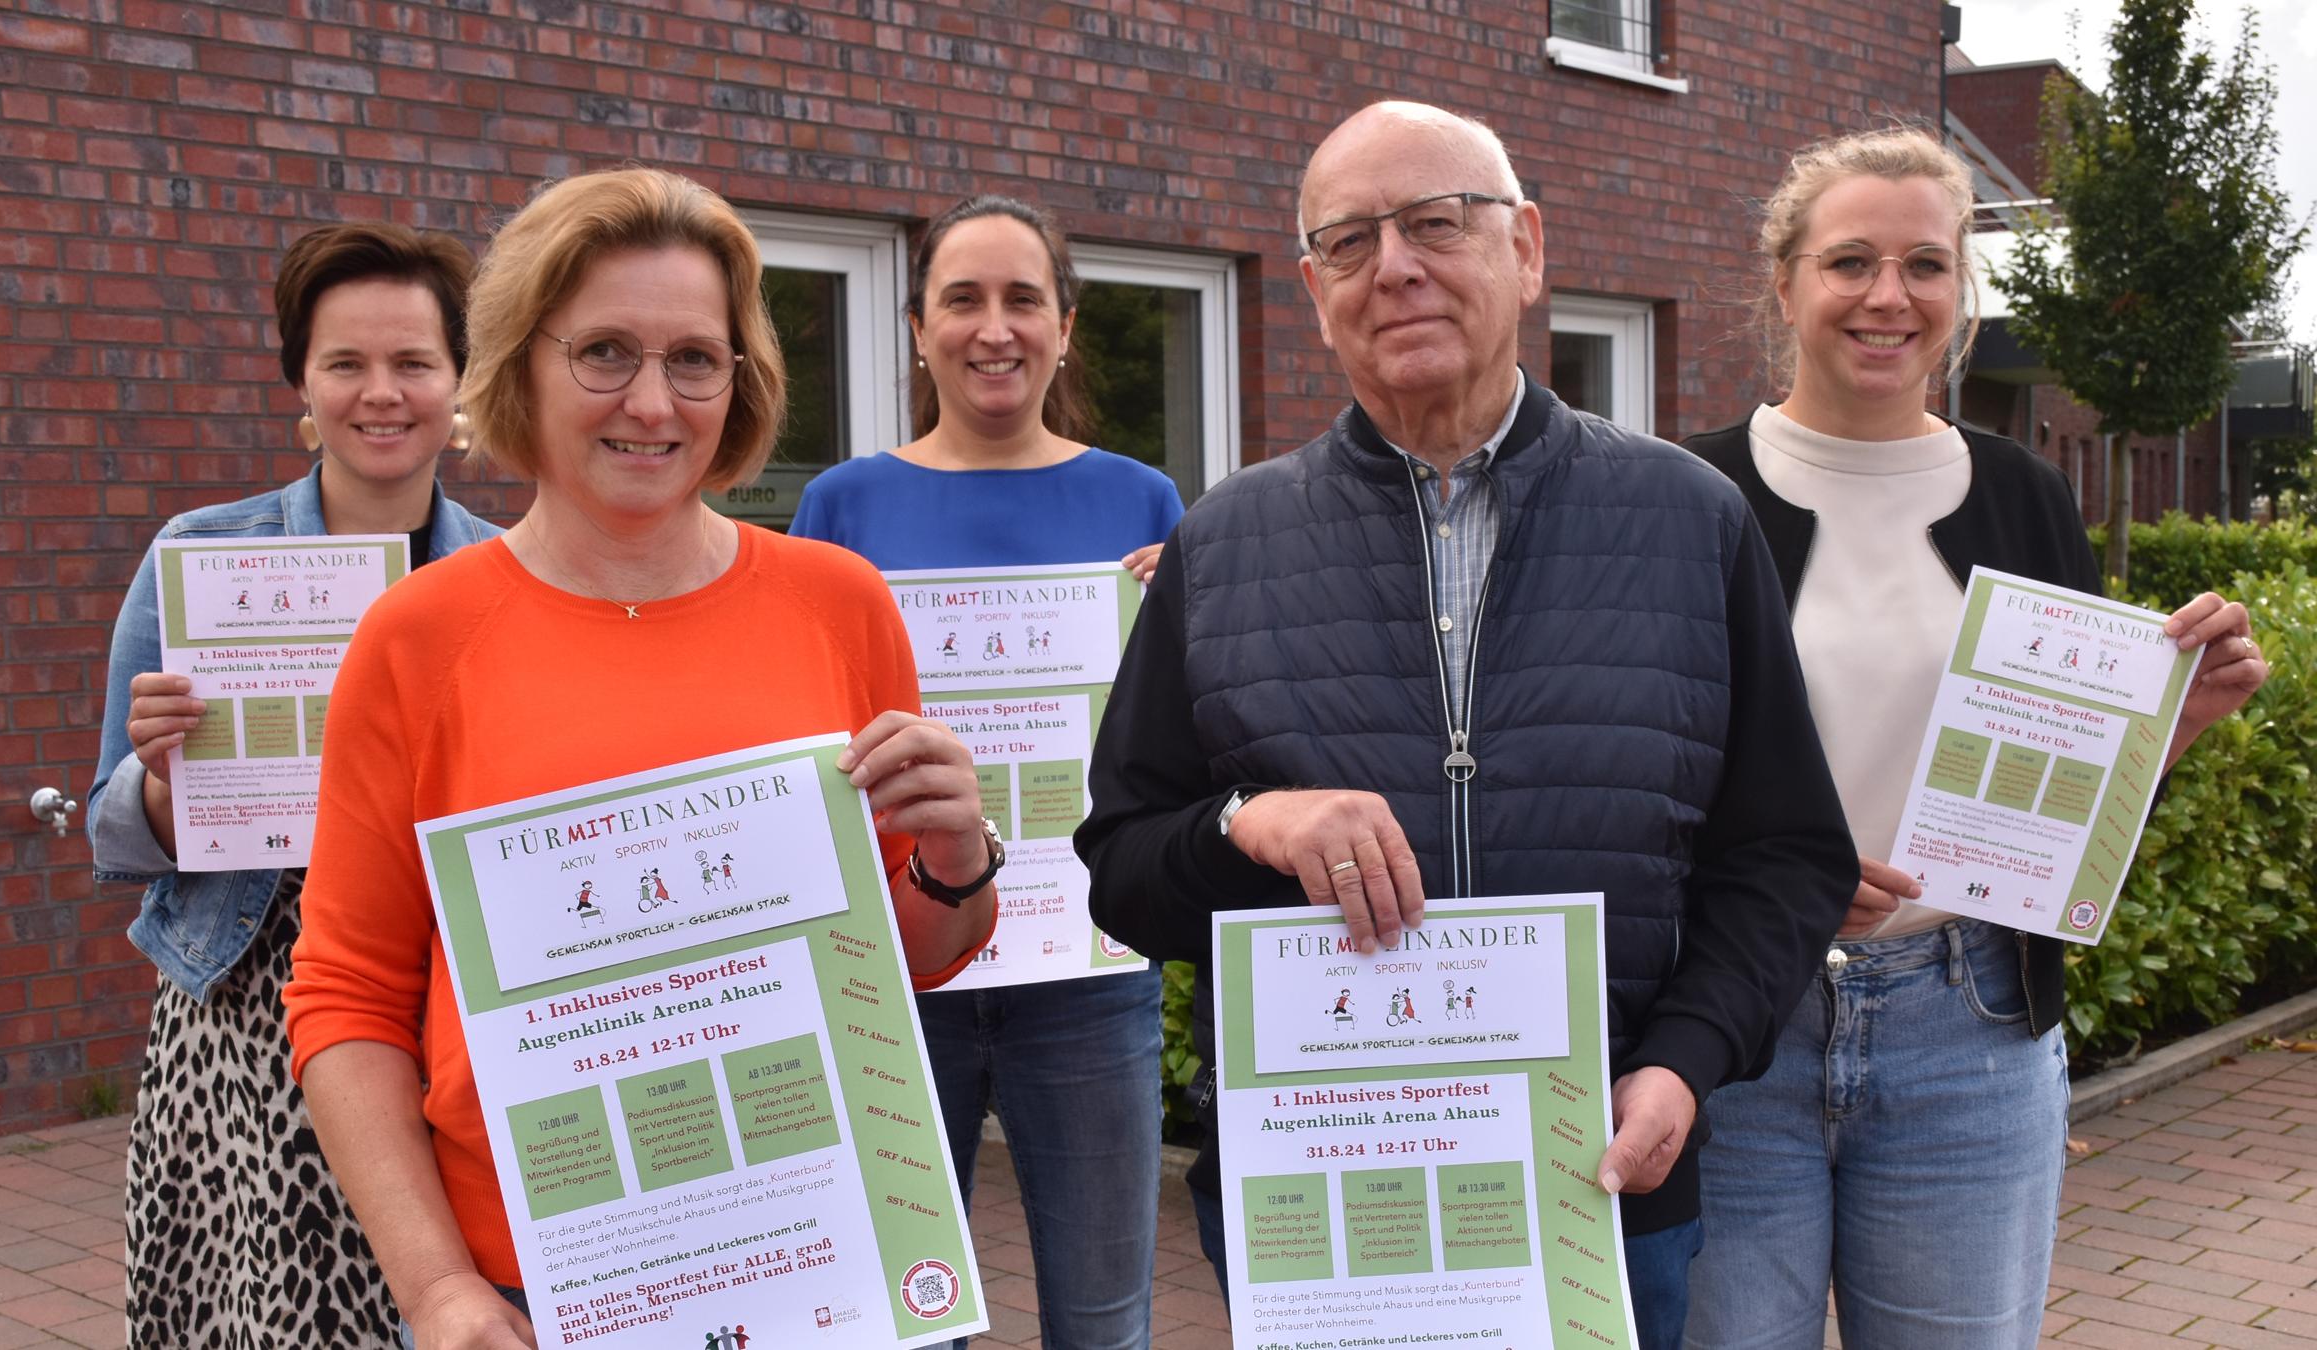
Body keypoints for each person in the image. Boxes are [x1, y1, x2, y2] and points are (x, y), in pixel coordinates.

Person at [1073, 100, 1859, 1349]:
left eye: (1437, 223)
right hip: (1323, 1206)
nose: (1395, 266)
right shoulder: (1223, 544)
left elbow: (1785, 853)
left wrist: (1687, 1062)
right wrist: (1248, 823)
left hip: (1602, 1185)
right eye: (1348, 241)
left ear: (1529, 249)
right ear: (1317, 286)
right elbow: (1122, 868)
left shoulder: (1690, 520)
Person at [278, 167, 999, 1350]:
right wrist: (438, 1289)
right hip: (542, 1292)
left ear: (740, 376)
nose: (653, 404)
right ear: (519, 364)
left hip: (831, 1255)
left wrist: (958, 861)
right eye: (603, 352)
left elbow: (900, 961)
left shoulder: (837, 603)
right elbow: (346, 997)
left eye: (695, 360)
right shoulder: (416, 638)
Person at [1677, 127, 2270, 1348]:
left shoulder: (2023, 494)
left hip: (1970, 1030)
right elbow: (1630, 779)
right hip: (1738, 1033)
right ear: (1783, 281)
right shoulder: (1684, 495)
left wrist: (2174, 727)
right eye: (1849, 261)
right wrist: (1780, 879)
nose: (1889, 296)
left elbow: (2058, 809)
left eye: (1926, 264)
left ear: (1960, 291)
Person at [86, 221, 499, 1347]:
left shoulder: (512, 574)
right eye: (345, 364)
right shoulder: (201, 556)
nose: (382, 393)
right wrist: (165, 781)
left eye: (413, 362)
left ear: (459, 381)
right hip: (245, 1012)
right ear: (301, 386)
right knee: (251, 1315)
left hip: (437, 1009)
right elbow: (110, 822)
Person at [791, 194, 1183, 1350]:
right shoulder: (842, 504)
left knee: (1104, 1320)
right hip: (903, 967)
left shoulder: (1144, 503)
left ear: (1066, 326)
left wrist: (1181, 624)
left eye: (1024, 299)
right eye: (963, 299)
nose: (993, 326)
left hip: (1086, 973)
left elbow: (1173, 740)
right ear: (918, 328)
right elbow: (811, 732)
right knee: (906, 1321)